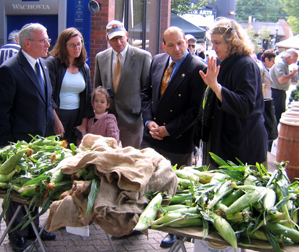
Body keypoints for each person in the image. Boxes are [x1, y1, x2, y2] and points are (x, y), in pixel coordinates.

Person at [0, 23, 56, 252]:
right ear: (27, 43)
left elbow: (46, 103)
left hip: (40, 145)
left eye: (47, 40)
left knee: (34, 188)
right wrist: (7, 147)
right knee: (17, 191)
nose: (48, 43)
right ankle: (15, 234)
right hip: (18, 145)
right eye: (44, 40)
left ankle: (32, 228)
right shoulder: (10, 69)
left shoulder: (44, 66)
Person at [141, 26, 206, 248]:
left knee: (174, 187)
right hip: (151, 135)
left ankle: (176, 231)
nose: (177, 48)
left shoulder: (198, 67)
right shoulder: (158, 60)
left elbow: (195, 110)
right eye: (171, 44)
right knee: (145, 180)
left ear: (187, 42)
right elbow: (146, 94)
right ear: (164, 46)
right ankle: (139, 220)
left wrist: (167, 130)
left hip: (177, 139)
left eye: (180, 43)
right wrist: (149, 121)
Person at [197, 17, 268, 168]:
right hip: (228, 145)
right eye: (212, 42)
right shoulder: (228, 62)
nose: (213, 47)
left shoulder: (245, 64)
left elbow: (245, 105)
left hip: (242, 149)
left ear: (232, 41)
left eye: (217, 42)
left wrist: (216, 87)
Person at [94, 20, 152, 149]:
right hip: (107, 119)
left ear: (126, 35)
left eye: (121, 38)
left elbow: (147, 92)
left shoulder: (142, 57)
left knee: (131, 161)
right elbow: (97, 88)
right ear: (107, 39)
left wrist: (145, 118)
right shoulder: (100, 57)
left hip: (132, 120)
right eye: (114, 39)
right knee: (107, 160)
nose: (118, 42)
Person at [46, 27, 94, 145]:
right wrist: (56, 121)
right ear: (63, 46)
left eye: (79, 44)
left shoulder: (84, 67)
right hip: (58, 115)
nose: (77, 48)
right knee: (56, 152)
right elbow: (48, 96)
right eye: (72, 45)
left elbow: (87, 97)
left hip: (77, 116)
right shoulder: (53, 63)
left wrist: (83, 124)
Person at [270, 48, 298, 124]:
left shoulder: (283, 63)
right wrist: (292, 74)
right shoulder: (280, 63)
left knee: (279, 113)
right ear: (289, 57)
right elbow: (281, 79)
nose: (294, 62)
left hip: (280, 92)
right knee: (276, 114)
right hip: (276, 92)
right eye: (294, 60)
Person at [257, 49, 278, 151]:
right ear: (266, 59)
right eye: (272, 61)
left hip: (267, 99)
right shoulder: (261, 68)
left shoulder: (264, 68)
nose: (273, 63)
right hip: (263, 100)